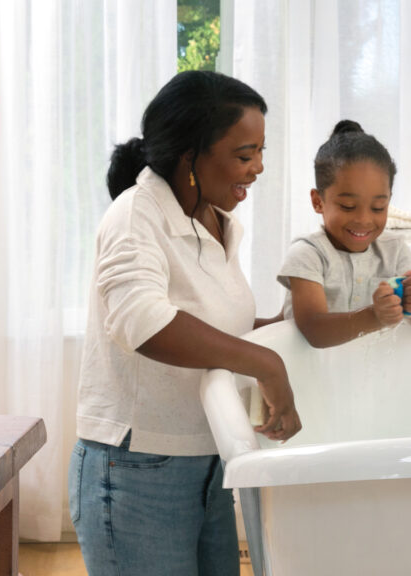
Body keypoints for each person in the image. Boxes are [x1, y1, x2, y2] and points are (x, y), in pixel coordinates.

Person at [70, 70, 301, 576]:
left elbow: (217, 328)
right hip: (136, 471)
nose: (259, 167)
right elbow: (145, 322)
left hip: (207, 460)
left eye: (262, 151)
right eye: (245, 154)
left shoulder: (214, 220)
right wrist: (265, 361)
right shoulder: (136, 216)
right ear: (190, 156)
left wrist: (286, 326)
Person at [278, 120, 411, 348]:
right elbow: (314, 329)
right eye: (348, 206)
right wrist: (374, 317)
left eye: (378, 208)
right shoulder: (307, 254)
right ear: (317, 201)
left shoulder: (394, 249)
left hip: (365, 373)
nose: (363, 219)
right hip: (308, 372)